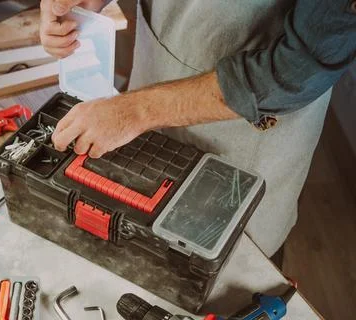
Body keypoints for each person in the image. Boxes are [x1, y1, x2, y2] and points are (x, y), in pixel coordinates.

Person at [40, 0, 356, 260]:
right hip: (153, 81)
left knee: (217, 270)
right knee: (134, 249)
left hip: (246, 137)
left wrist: (135, 111)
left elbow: (293, 71)